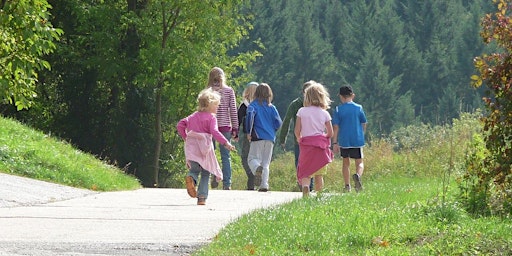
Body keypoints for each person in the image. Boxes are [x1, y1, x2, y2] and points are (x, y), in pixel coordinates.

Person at [177, 88, 236, 205]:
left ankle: (191, 179)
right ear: (209, 105)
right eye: (216, 105)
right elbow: (215, 132)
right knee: (206, 172)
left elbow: (180, 125)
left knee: (194, 170)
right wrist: (226, 143)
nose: (217, 108)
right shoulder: (211, 118)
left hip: (192, 148)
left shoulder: (193, 116)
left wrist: (186, 137)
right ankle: (202, 197)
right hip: (204, 149)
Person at [294, 82, 334, 197]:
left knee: (305, 172)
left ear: (307, 97)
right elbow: (330, 133)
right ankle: (319, 194)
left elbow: (297, 130)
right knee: (319, 174)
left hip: (306, 145)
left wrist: (299, 138)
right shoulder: (325, 113)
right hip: (320, 147)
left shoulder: (302, 111)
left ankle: (306, 188)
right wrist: (324, 138)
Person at [278, 81, 315, 191]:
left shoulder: (298, 104)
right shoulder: (296, 104)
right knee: (306, 163)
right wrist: (282, 137)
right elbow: (287, 121)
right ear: (303, 92)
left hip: (302, 140)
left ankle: (307, 186)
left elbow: (287, 121)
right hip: (305, 140)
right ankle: (306, 185)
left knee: (302, 163)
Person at [245, 83, 283, 192]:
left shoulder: (253, 106)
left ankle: (256, 168)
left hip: (257, 136)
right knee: (266, 162)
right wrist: (272, 131)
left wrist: (248, 131)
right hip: (270, 137)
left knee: (252, 158)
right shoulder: (272, 107)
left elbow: (250, 118)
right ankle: (264, 185)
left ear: (256, 93)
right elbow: (278, 122)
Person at [207, 67, 238, 190]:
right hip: (225, 126)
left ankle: (213, 176)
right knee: (226, 155)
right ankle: (227, 183)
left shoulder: (207, 91)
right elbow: (233, 111)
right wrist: (235, 128)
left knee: (210, 153)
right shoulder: (229, 91)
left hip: (209, 126)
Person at [332, 85, 367, 192]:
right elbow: (364, 123)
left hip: (344, 140)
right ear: (353, 95)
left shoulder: (338, 109)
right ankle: (358, 175)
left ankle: (347, 186)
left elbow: (336, 127)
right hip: (357, 139)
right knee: (359, 162)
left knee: (346, 163)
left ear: (341, 97)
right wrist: (362, 134)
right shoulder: (359, 108)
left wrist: (335, 142)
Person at [237, 81, 259, 190]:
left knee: (245, 157)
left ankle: (251, 175)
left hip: (248, 135)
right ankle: (257, 177)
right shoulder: (262, 105)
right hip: (261, 135)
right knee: (257, 157)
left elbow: (238, 120)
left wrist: (235, 133)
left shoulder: (244, 106)